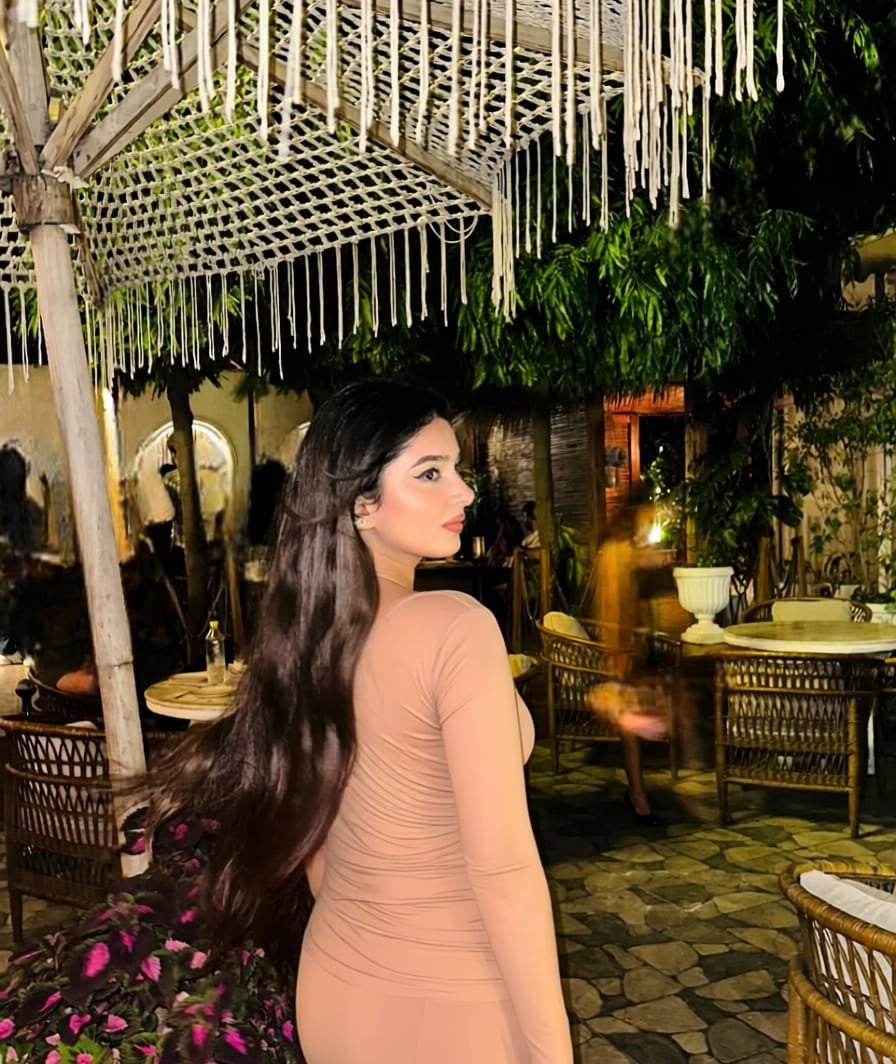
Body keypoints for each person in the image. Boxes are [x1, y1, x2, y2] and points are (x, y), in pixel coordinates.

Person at [151, 380, 572, 1064]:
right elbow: (504, 870)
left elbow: (314, 840)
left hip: (336, 988)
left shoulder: (311, 638)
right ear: (361, 503)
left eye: (455, 470)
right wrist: (553, 1052)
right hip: (451, 1007)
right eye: (430, 473)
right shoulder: (454, 627)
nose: (464, 492)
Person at [590, 493, 668, 826]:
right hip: (621, 654)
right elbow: (612, 609)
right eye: (645, 519)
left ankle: (638, 793)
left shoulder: (627, 552)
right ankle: (637, 796)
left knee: (637, 723)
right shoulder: (615, 554)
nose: (648, 526)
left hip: (634, 651)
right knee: (632, 724)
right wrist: (620, 653)